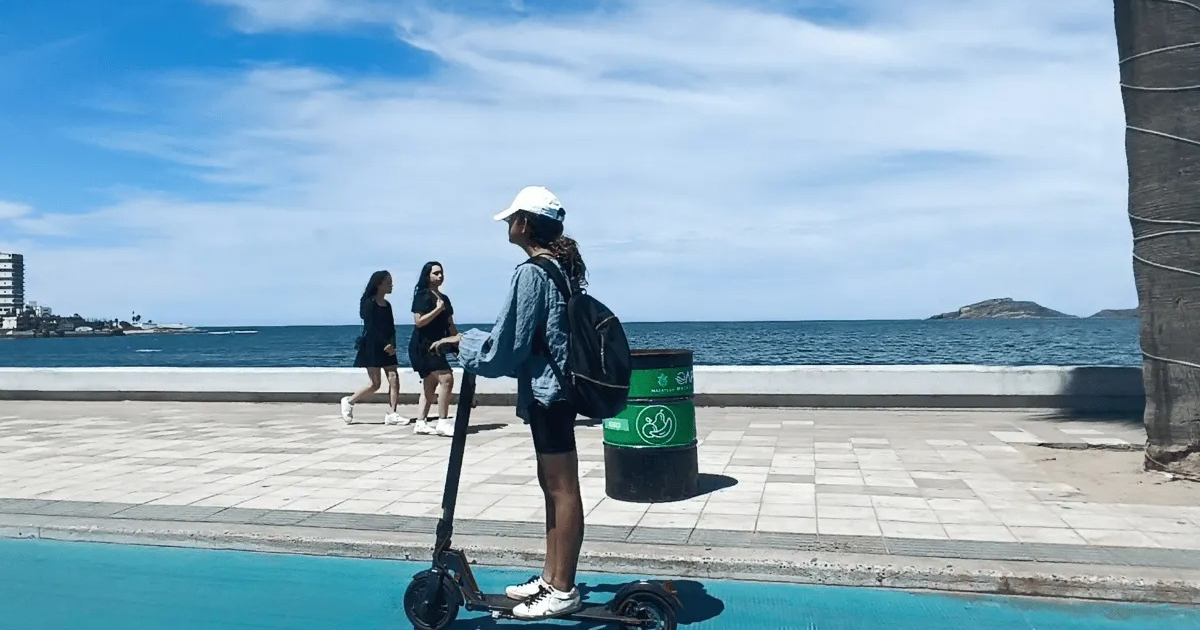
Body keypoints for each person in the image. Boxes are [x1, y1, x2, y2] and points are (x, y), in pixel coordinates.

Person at [431, 185, 586, 620]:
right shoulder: (561, 267)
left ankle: (563, 589)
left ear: (525, 224)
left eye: (511, 219)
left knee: (562, 488)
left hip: (548, 392)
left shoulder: (533, 272)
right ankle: (552, 576)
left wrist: (464, 344)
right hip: (555, 390)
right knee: (552, 486)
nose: (507, 226)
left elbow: (507, 347)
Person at [340, 270, 401, 424]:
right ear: (379, 284)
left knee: (393, 377)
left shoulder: (388, 305)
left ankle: (392, 413)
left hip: (388, 347)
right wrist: (384, 343)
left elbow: (391, 327)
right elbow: (371, 327)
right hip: (373, 345)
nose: (391, 285)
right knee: (375, 384)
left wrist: (392, 344)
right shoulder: (369, 303)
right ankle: (349, 401)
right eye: (388, 282)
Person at [407, 261, 458, 436]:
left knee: (431, 382)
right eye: (436, 273)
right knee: (446, 378)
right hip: (423, 345)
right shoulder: (422, 295)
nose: (440, 276)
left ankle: (420, 422)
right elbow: (419, 321)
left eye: (441, 273)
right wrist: (437, 309)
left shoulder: (445, 299)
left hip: (438, 345)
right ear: (427, 276)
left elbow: (450, 324)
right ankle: (443, 422)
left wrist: (457, 343)